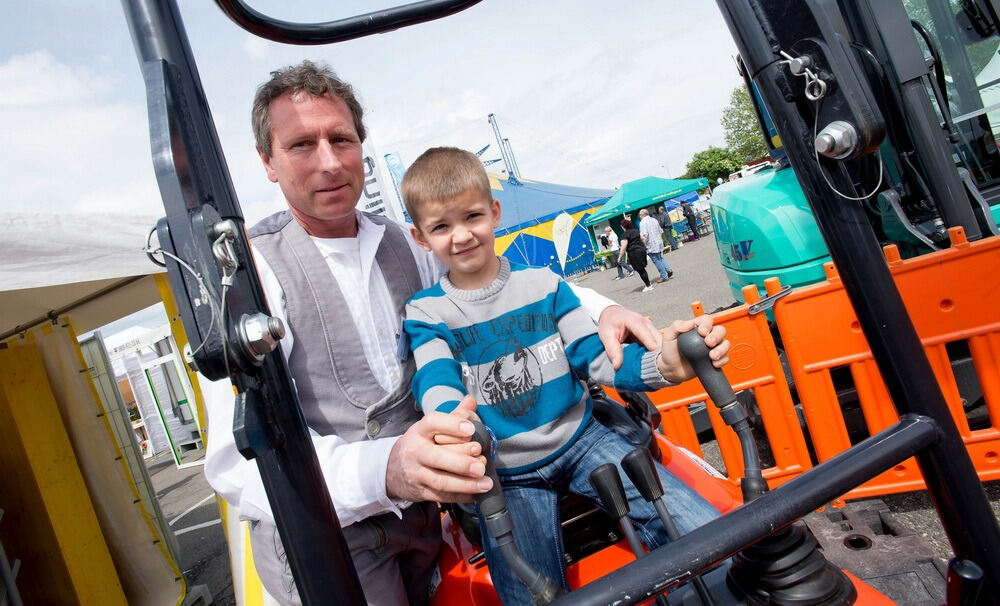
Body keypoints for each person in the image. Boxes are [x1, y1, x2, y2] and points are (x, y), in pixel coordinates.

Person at [202, 61, 670, 605]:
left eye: (342, 139)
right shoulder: (251, 276)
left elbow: (502, 287)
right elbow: (237, 463)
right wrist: (388, 470)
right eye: (302, 144)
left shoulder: (412, 245)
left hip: (430, 518)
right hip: (332, 538)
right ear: (268, 162)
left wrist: (604, 310)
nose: (329, 162)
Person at [398, 147, 729, 606]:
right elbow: (435, 380)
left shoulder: (545, 286)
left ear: (494, 212)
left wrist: (662, 365)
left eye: (471, 216)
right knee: (529, 594)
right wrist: (453, 422)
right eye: (440, 226)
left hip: (582, 438)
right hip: (506, 471)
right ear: (420, 237)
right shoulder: (427, 312)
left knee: (704, 532)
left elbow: (596, 358)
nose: (460, 236)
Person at [618, 218, 654, 292]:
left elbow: (623, 247)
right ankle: (648, 283)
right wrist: (645, 247)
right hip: (641, 250)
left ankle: (648, 286)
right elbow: (643, 239)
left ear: (623, 226)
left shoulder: (625, 235)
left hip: (634, 253)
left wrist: (619, 257)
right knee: (642, 269)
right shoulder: (636, 231)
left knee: (641, 270)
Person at [638, 208, 673, 283]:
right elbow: (661, 231)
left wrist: (644, 246)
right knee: (659, 258)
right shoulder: (654, 220)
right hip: (658, 241)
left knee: (656, 260)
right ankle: (668, 269)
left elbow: (644, 236)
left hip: (651, 243)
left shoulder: (642, 222)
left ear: (641, 215)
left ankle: (664, 276)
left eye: (639, 215)